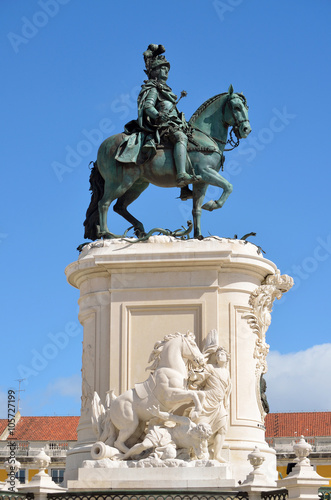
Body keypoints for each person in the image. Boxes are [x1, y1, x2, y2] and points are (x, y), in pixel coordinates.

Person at [188, 345, 231, 462]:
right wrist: (194, 376)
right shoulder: (211, 367)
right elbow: (201, 376)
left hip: (218, 404)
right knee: (200, 429)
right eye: (217, 355)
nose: (219, 356)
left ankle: (217, 455)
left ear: (227, 358)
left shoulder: (227, 373)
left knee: (223, 429)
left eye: (221, 354)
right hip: (207, 402)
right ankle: (197, 454)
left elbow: (227, 390)